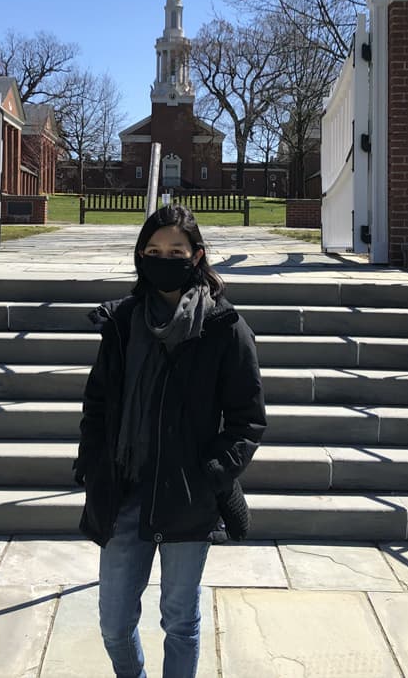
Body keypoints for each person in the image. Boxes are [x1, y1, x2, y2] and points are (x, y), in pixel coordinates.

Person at [74, 205, 266, 678]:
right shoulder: (120, 323)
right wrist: (93, 461)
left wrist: (212, 474)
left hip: (186, 495)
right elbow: (97, 402)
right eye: (153, 251)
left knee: (180, 621)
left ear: (196, 256)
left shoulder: (224, 327)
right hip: (124, 489)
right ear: (141, 256)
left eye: (175, 251)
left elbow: (248, 419)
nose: (164, 258)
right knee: (114, 624)